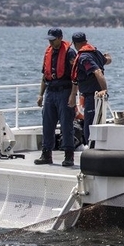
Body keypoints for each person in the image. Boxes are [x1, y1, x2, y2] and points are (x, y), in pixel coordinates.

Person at [35, 28, 78, 166]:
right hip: (50, 92)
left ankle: (69, 156)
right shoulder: (48, 52)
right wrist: (41, 95)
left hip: (64, 92)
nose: (51, 42)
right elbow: (45, 75)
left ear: (60, 38)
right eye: (49, 40)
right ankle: (46, 154)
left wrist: (73, 95)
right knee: (47, 124)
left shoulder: (69, 53)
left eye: (53, 40)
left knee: (66, 124)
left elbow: (75, 77)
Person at [70, 32, 108, 147]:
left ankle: (91, 148)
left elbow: (97, 71)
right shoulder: (95, 52)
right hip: (95, 96)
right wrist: (108, 57)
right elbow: (107, 60)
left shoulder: (84, 57)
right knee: (96, 122)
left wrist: (104, 89)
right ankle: (95, 147)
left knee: (89, 125)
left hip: (93, 96)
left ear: (75, 44)